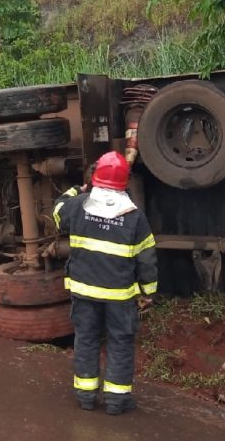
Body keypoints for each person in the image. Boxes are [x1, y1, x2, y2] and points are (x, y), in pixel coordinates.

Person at [52, 151, 158, 415]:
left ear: (95, 178)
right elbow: (147, 259)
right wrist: (147, 292)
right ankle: (116, 400)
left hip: (84, 291)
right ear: (124, 182)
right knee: (120, 342)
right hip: (120, 296)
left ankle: (86, 396)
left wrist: (77, 190)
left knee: (86, 339)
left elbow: (57, 213)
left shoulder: (79, 205)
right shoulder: (135, 216)